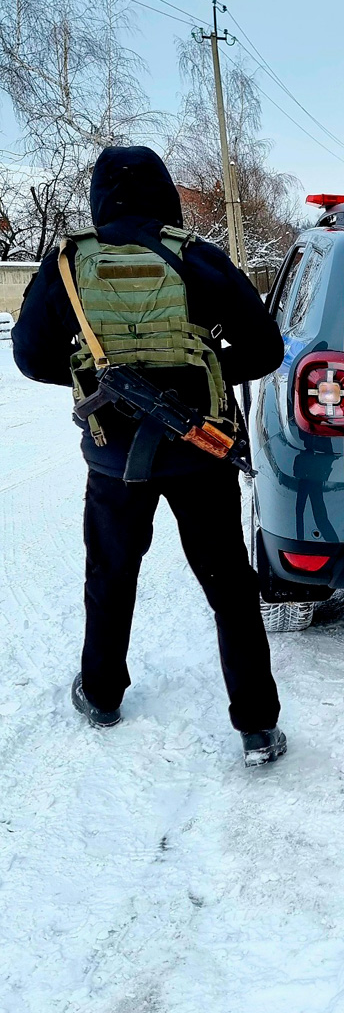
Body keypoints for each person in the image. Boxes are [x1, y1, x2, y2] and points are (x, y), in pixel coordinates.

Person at [13, 146, 287, 767]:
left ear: (98, 198)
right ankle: (257, 727)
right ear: (164, 193)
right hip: (199, 451)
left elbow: (30, 358)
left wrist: (93, 376)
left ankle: (103, 695)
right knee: (229, 587)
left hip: (112, 458)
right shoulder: (197, 257)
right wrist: (208, 370)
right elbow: (266, 349)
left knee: (111, 575)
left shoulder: (66, 266)